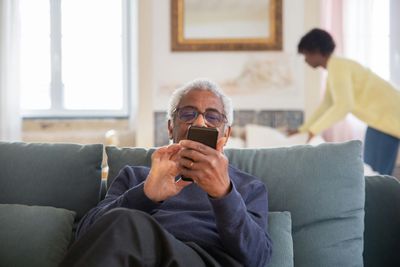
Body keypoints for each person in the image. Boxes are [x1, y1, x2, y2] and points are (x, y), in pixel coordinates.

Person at [60, 79, 272, 267]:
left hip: (204, 259)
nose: (199, 122)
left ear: (226, 133)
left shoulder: (247, 186)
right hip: (136, 257)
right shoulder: (136, 177)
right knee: (124, 221)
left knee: (127, 223)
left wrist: (224, 195)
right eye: (188, 114)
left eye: (213, 117)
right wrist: (145, 195)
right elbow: (87, 235)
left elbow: (258, 258)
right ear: (171, 127)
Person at [291, 28, 400, 175]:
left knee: (375, 176)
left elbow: (343, 106)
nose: (305, 60)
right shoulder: (337, 66)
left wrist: (313, 131)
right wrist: (303, 130)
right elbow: (327, 105)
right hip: (382, 120)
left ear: (316, 51)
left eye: (306, 54)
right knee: (373, 175)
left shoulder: (338, 67)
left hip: (386, 120)